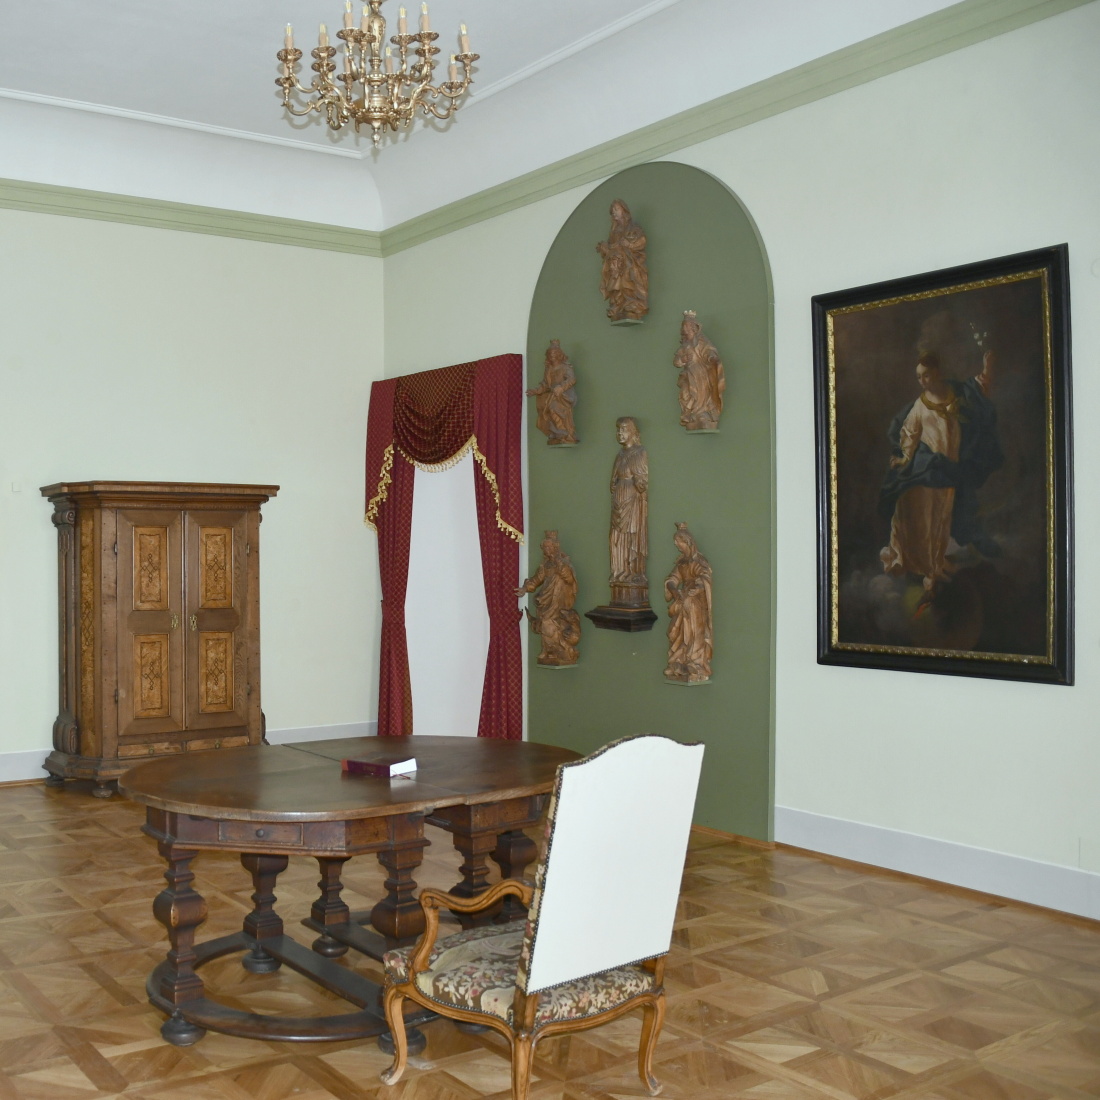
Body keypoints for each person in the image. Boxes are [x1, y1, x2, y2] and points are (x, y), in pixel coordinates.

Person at [878, 348, 1003, 596]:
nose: (922, 381)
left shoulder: (956, 393)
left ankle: (933, 567)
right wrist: (904, 457)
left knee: (940, 519)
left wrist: (987, 370)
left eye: (926, 375)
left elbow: (976, 390)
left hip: (949, 470)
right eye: (919, 377)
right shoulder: (920, 404)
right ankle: (916, 562)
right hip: (928, 468)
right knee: (918, 515)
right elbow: (910, 433)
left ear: (936, 373)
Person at [515, 531, 580, 666]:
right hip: (546, 599)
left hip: (559, 600)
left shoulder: (563, 563)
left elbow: (569, 579)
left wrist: (561, 567)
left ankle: (558, 649)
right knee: (545, 622)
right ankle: (547, 650)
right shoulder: (545, 565)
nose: (546, 550)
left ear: (555, 547)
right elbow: (537, 579)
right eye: (545, 547)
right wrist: (525, 589)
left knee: (549, 623)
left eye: (549, 547)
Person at [664, 524, 713, 683]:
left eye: (678, 542)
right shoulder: (681, 563)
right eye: (675, 542)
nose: (676, 545)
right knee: (675, 631)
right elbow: (672, 579)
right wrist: (674, 590)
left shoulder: (699, 561)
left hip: (695, 603)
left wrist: (696, 588)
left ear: (687, 542)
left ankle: (695, 663)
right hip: (682, 599)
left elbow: (705, 577)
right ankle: (678, 662)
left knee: (693, 631)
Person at [609, 417, 649, 597]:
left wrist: (637, 483)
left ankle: (633, 571)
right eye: (618, 429)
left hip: (632, 501)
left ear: (633, 432)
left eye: (624, 429)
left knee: (631, 535)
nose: (620, 433)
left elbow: (642, 481)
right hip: (618, 499)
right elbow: (613, 480)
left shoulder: (639, 452)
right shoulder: (620, 454)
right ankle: (619, 571)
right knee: (615, 537)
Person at [595, 200, 648, 322]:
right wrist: (604, 249)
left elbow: (641, 241)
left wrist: (629, 245)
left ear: (624, 211)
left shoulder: (633, 228)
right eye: (612, 211)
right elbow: (612, 248)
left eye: (616, 209)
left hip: (629, 262)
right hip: (616, 263)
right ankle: (618, 304)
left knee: (628, 275)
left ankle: (632, 303)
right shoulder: (614, 232)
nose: (614, 212)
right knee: (614, 277)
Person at [674, 310, 726, 431]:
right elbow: (676, 361)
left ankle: (703, 413)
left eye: (687, 326)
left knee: (702, 394)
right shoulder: (684, 345)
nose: (684, 328)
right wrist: (682, 359)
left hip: (701, 374)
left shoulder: (702, 342)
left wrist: (711, 358)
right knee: (686, 393)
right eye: (683, 326)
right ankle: (689, 413)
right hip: (688, 375)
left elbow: (709, 351)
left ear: (693, 327)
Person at [526, 340, 578, 445]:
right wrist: (536, 391)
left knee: (555, 408)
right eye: (550, 354)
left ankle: (566, 433)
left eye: (554, 353)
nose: (552, 356)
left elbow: (572, 379)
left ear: (559, 355)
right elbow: (546, 384)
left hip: (563, 395)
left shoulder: (565, 367)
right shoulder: (548, 369)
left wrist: (561, 387)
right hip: (552, 395)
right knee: (547, 411)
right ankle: (557, 433)